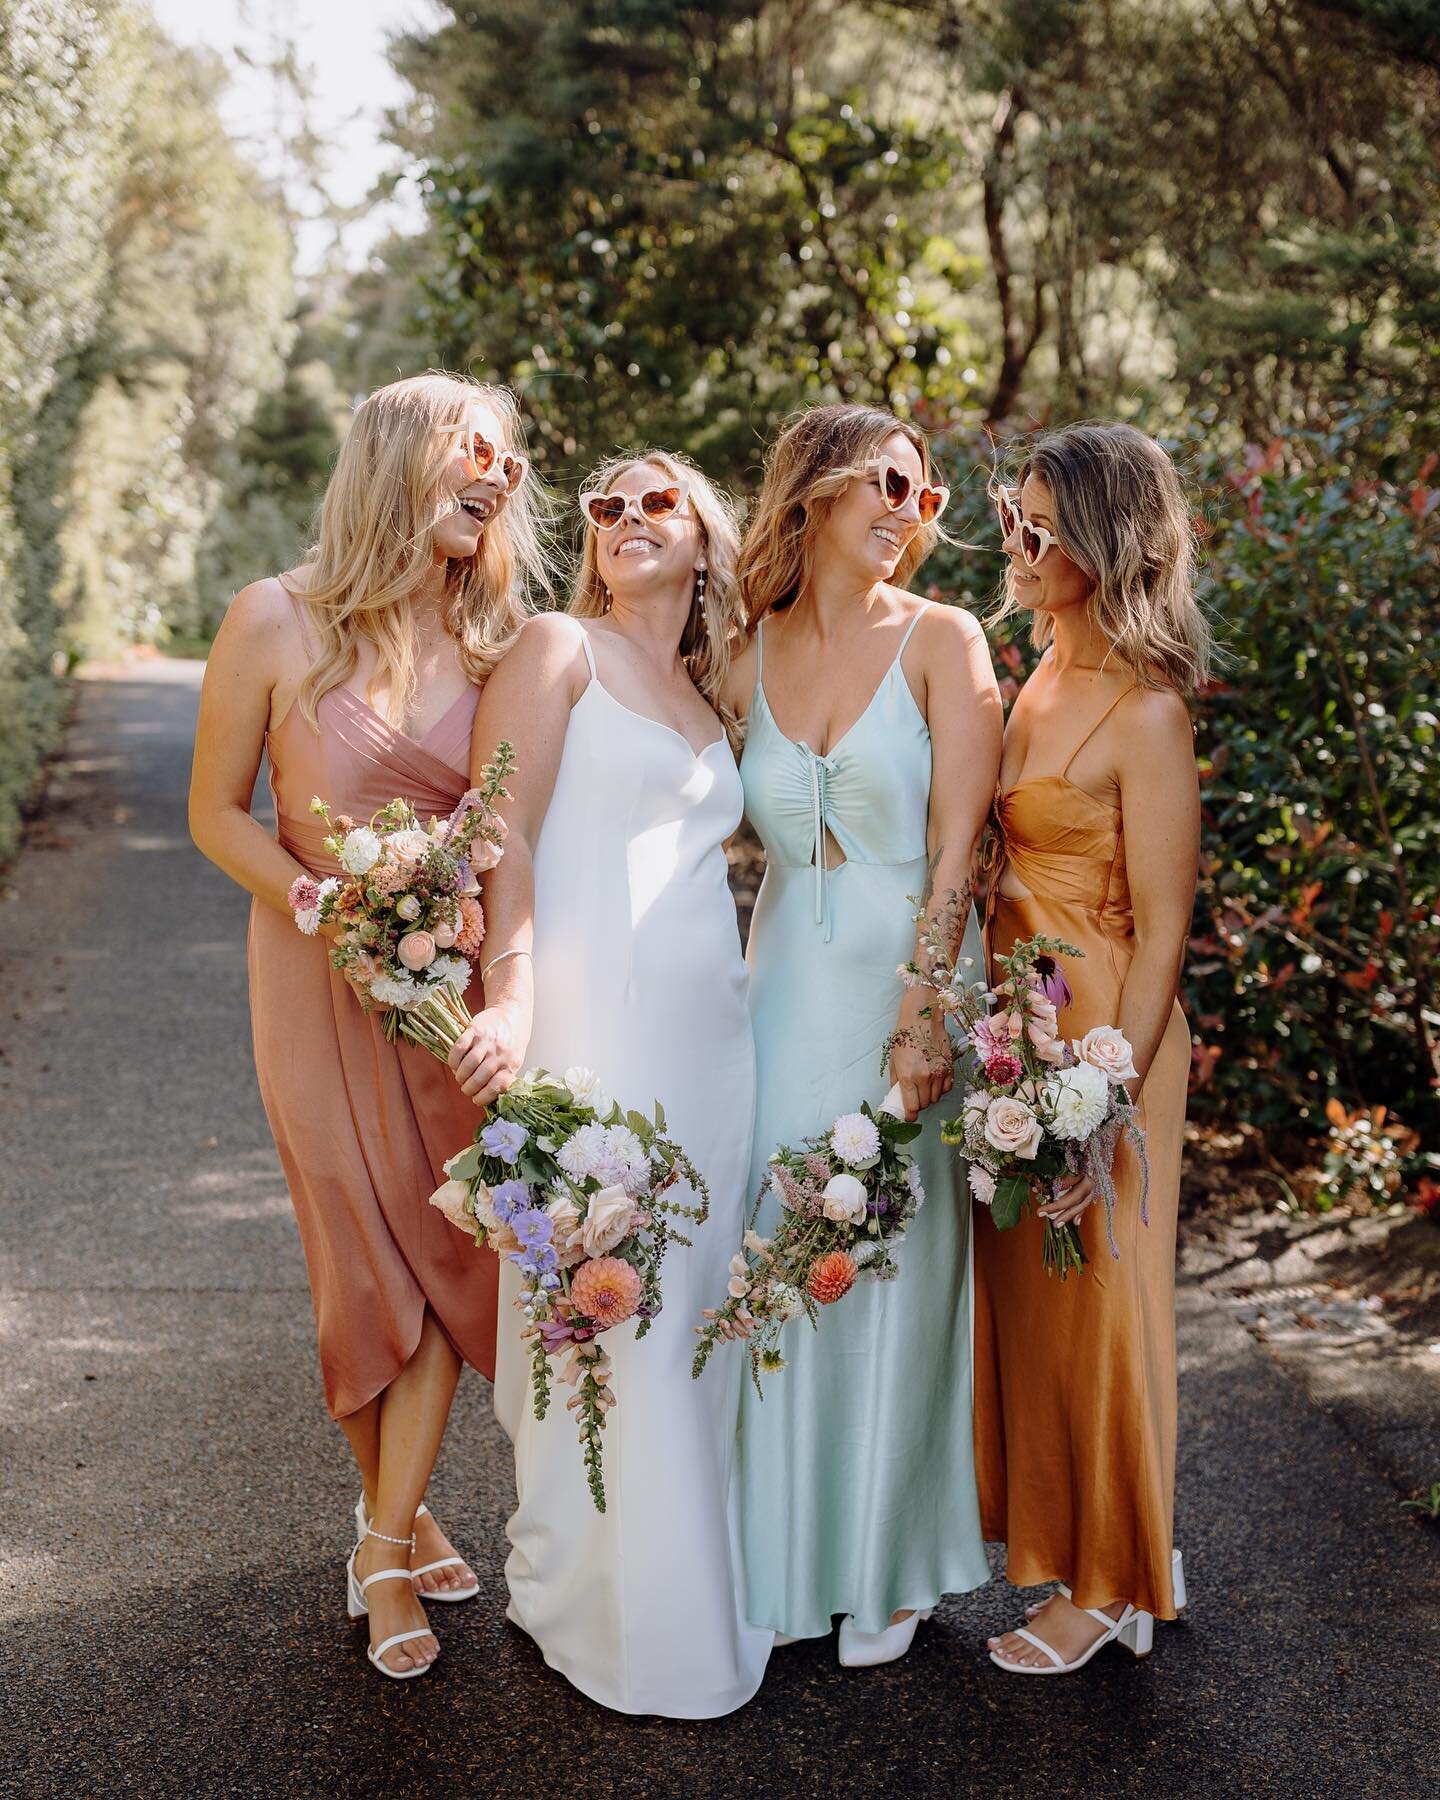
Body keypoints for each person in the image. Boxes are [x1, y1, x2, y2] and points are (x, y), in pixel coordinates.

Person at [189, 372, 549, 1679]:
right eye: (477, 449)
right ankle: (395, 1534)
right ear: (399, 457)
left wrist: (509, 982)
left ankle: (382, 1539)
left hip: (434, 998)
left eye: (510, 461)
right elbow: (215, 810)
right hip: (308, 975)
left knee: (446, 1262)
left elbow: (511, 840)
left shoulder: (499, 642)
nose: (501, 476)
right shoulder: (273, 622)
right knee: (361, 1260)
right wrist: (319, 897)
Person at [448, 450, 772, 1717]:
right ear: (587, 537)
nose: (630, 519)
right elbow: (501, 828)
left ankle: (695, 1564)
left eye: (659, 503)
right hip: (599, 1033)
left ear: (705, 538)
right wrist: (512, 997)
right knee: (604, 1293)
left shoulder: (711, 686)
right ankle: (595, 1590)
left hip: (713, 1045)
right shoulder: (557, 648)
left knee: (688, 1305)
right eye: (606, 505)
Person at [722, 403, 1003, 1667]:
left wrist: (924, 1007)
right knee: (785, 1245)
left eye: (925, 494)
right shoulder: (743, 651)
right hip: (779, 983)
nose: (909, 508)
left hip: (908, 975)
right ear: (818, 491)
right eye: (890, 482)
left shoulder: (946, 640)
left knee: (896, 1262)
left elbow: (960, 850)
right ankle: (785, 1553)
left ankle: (890, 1568)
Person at [978, 420, 1205, 1674]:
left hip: (1113, 1034)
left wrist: (1106, 1092)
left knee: (1109, 1297)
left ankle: (1114, 1587)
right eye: (1012, 516)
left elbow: (1169, 927)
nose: (1015, 542)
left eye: (1042, 526)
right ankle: (1115, 1542)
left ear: (1105, 545)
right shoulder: (1034, 679)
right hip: (1023, 1026)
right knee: (1047, 1309)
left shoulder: (1147, 713)